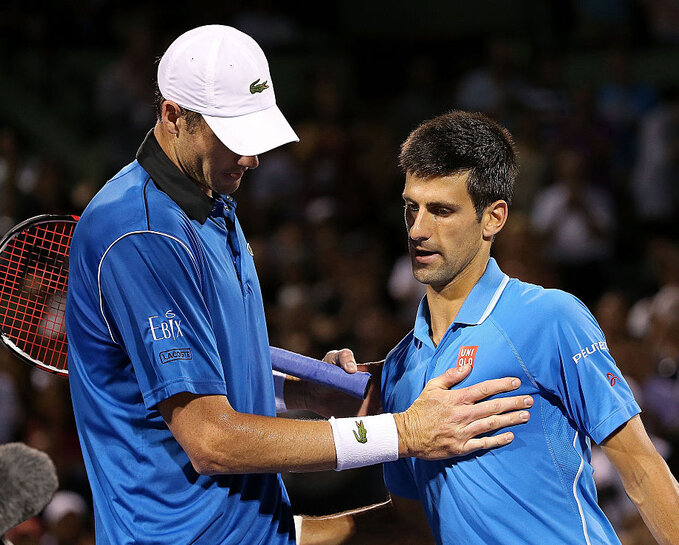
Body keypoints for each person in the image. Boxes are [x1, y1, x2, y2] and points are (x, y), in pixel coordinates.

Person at [65, 26, 532, 545]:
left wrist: (297, 392)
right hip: (184, 537)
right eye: (233, 138)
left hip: (253, 524)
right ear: (173, 116)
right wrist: (401, 433)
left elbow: (211, 372)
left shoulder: (208, 198)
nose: (251, 159)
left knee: (417, 527)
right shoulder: (139, 235)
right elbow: (209, 438)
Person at [337, 111, 679, 544]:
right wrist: (293, 532)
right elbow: (413, 523)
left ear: (494, 218)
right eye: (411, 207)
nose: (418, 230)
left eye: (441, 210)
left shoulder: (550, 317)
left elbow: (643, 470)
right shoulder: (400, 368)